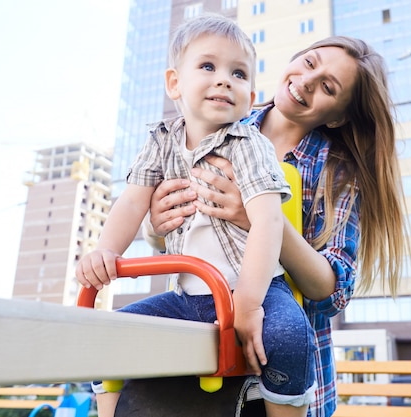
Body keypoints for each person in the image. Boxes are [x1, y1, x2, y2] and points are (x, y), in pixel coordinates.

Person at [145, 35, 411, 417]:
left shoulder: (336, 171)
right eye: (309, 63)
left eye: (327, 87)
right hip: (203, 347)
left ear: (337, 116)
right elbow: (178, 235)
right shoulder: (217, 123)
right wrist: (157, 225)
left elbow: (330, 291)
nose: (306, 81)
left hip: (282, 369)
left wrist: (256, 213)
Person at [76, 14, 318, 417]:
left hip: (254, 287)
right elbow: (133, 202)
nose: (224, 79)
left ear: (251, 94)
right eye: (208, 66)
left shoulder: (249, 144)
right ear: (175, 83)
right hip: (188, 297)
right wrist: (105, 251)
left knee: (290, 336)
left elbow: (269, 221)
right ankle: (109, 410)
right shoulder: (161, 140)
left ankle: (285, 411)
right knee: (106, 333)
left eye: (237, 73)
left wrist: (249, 303)